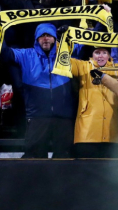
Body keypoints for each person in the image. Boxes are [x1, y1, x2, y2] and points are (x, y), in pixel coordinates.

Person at [1, 23, 75, 158]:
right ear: (36, 39)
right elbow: (4, 52)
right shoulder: (26, 55)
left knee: (64, 158)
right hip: (37, 117)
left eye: (49, 35)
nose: (45, 38)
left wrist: (71, 34)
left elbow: (88, 44)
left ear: (55, 38)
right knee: (34, 158)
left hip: (63, 117)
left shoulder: (66, 53)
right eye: (42, 36)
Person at [69, 46, 118, 158]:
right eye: (97, 52)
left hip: (113, 133)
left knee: (110, 168)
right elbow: (62, 59)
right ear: (92, 55)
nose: (100, 56)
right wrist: (60, 41)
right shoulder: (83, 66)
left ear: (109, 55)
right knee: (85, 168)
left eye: (104, 52)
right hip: (87, 133)